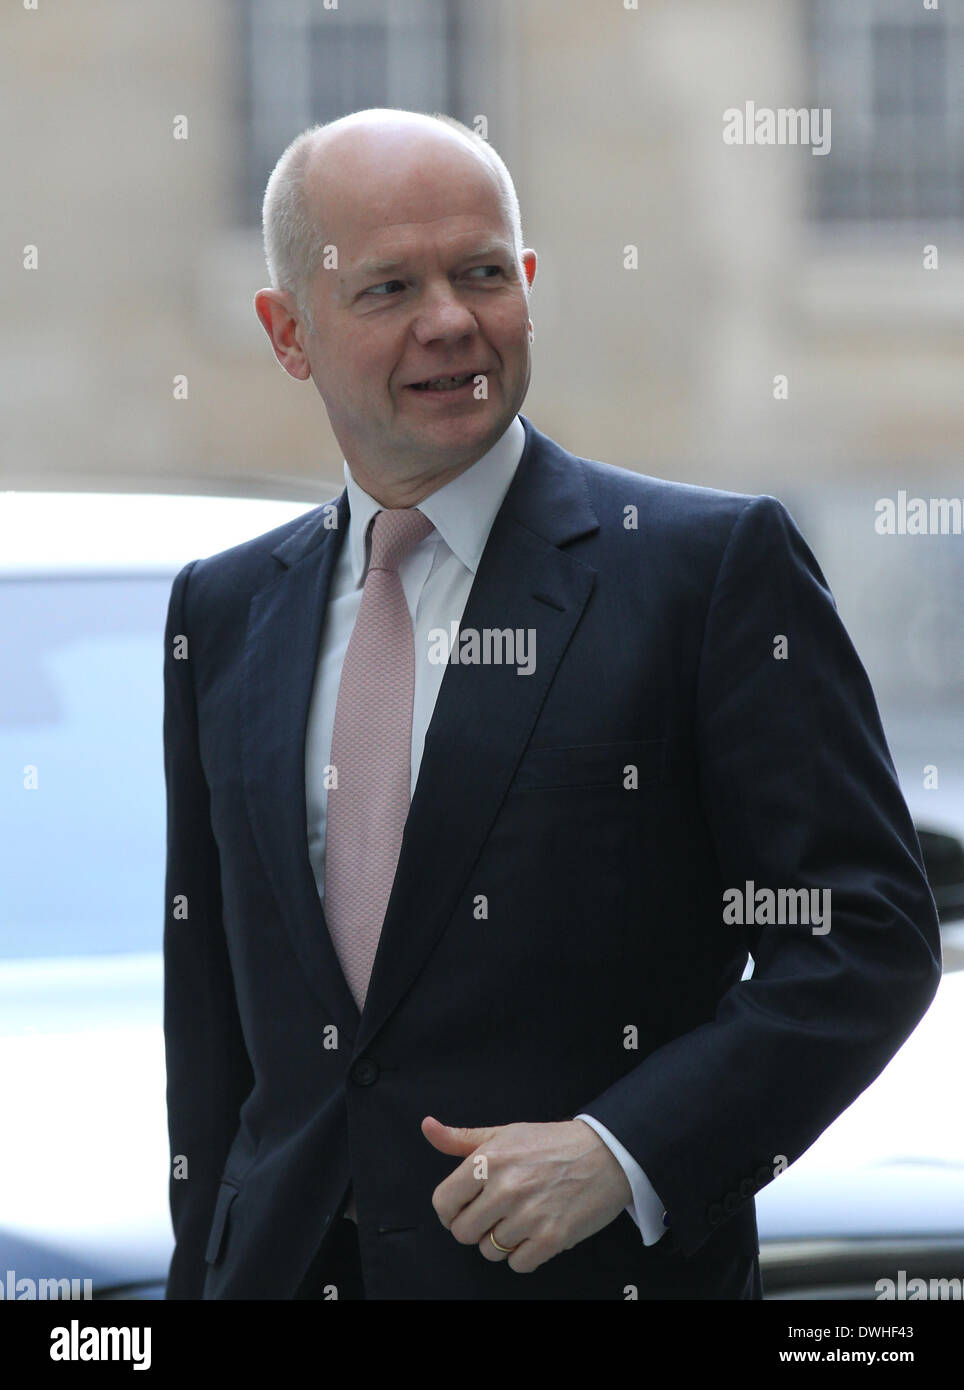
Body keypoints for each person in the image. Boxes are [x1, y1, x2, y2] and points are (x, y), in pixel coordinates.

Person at [162, 108, 941, 1300]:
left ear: (526, 282)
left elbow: (863, 938)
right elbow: (214, 1034)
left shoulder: (707, 569)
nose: (449, 321)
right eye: (387, 288)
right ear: (288, 332)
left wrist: (622, 1151)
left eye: (482, 273)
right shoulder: (222, 612)